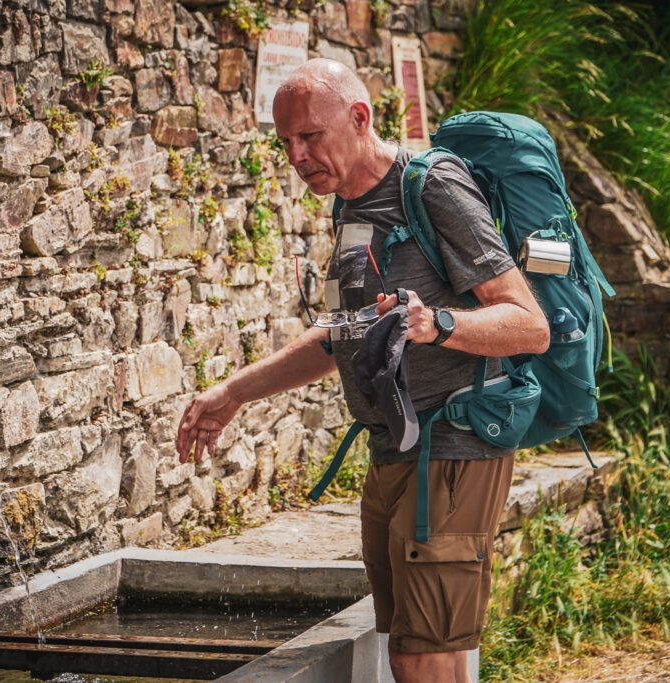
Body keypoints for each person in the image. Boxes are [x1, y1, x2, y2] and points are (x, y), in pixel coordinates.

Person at [176, 58, 549, 683]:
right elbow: (338, 340)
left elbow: (527, 323)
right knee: (420, 646)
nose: (296, 155)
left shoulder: (433, 188)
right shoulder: (348, 208)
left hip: (452, 444)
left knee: (419, 654)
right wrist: (233, 393)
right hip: (394, 450)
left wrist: (440, 324)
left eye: (310, 136)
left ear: (359, 118)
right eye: (286, 142)